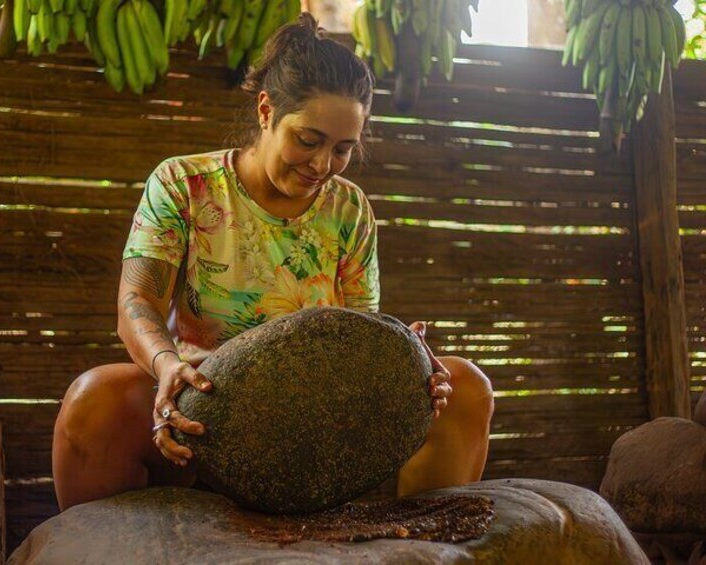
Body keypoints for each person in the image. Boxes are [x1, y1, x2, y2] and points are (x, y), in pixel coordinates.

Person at [52, 13, 494, 512]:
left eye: (343, 149)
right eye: (309, 140)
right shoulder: (184, 185)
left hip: (314, 424)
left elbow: (359, 334)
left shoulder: (348, 210)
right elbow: (137, 301)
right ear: (267, 111)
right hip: (202, 411)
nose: (322, 165)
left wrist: (406, 357)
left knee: (466, 388)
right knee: (97, 397)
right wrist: (167, 362)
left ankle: (422, 546)